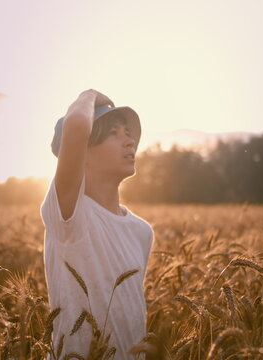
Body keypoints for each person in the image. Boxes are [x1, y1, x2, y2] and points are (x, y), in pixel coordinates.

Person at [40, 89, 154, 359]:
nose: (129, 142)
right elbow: (77, 127)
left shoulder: (141, 231)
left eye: (129, 134)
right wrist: (88, 94)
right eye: (114, 133)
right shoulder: (71, 216)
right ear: (83, 153)